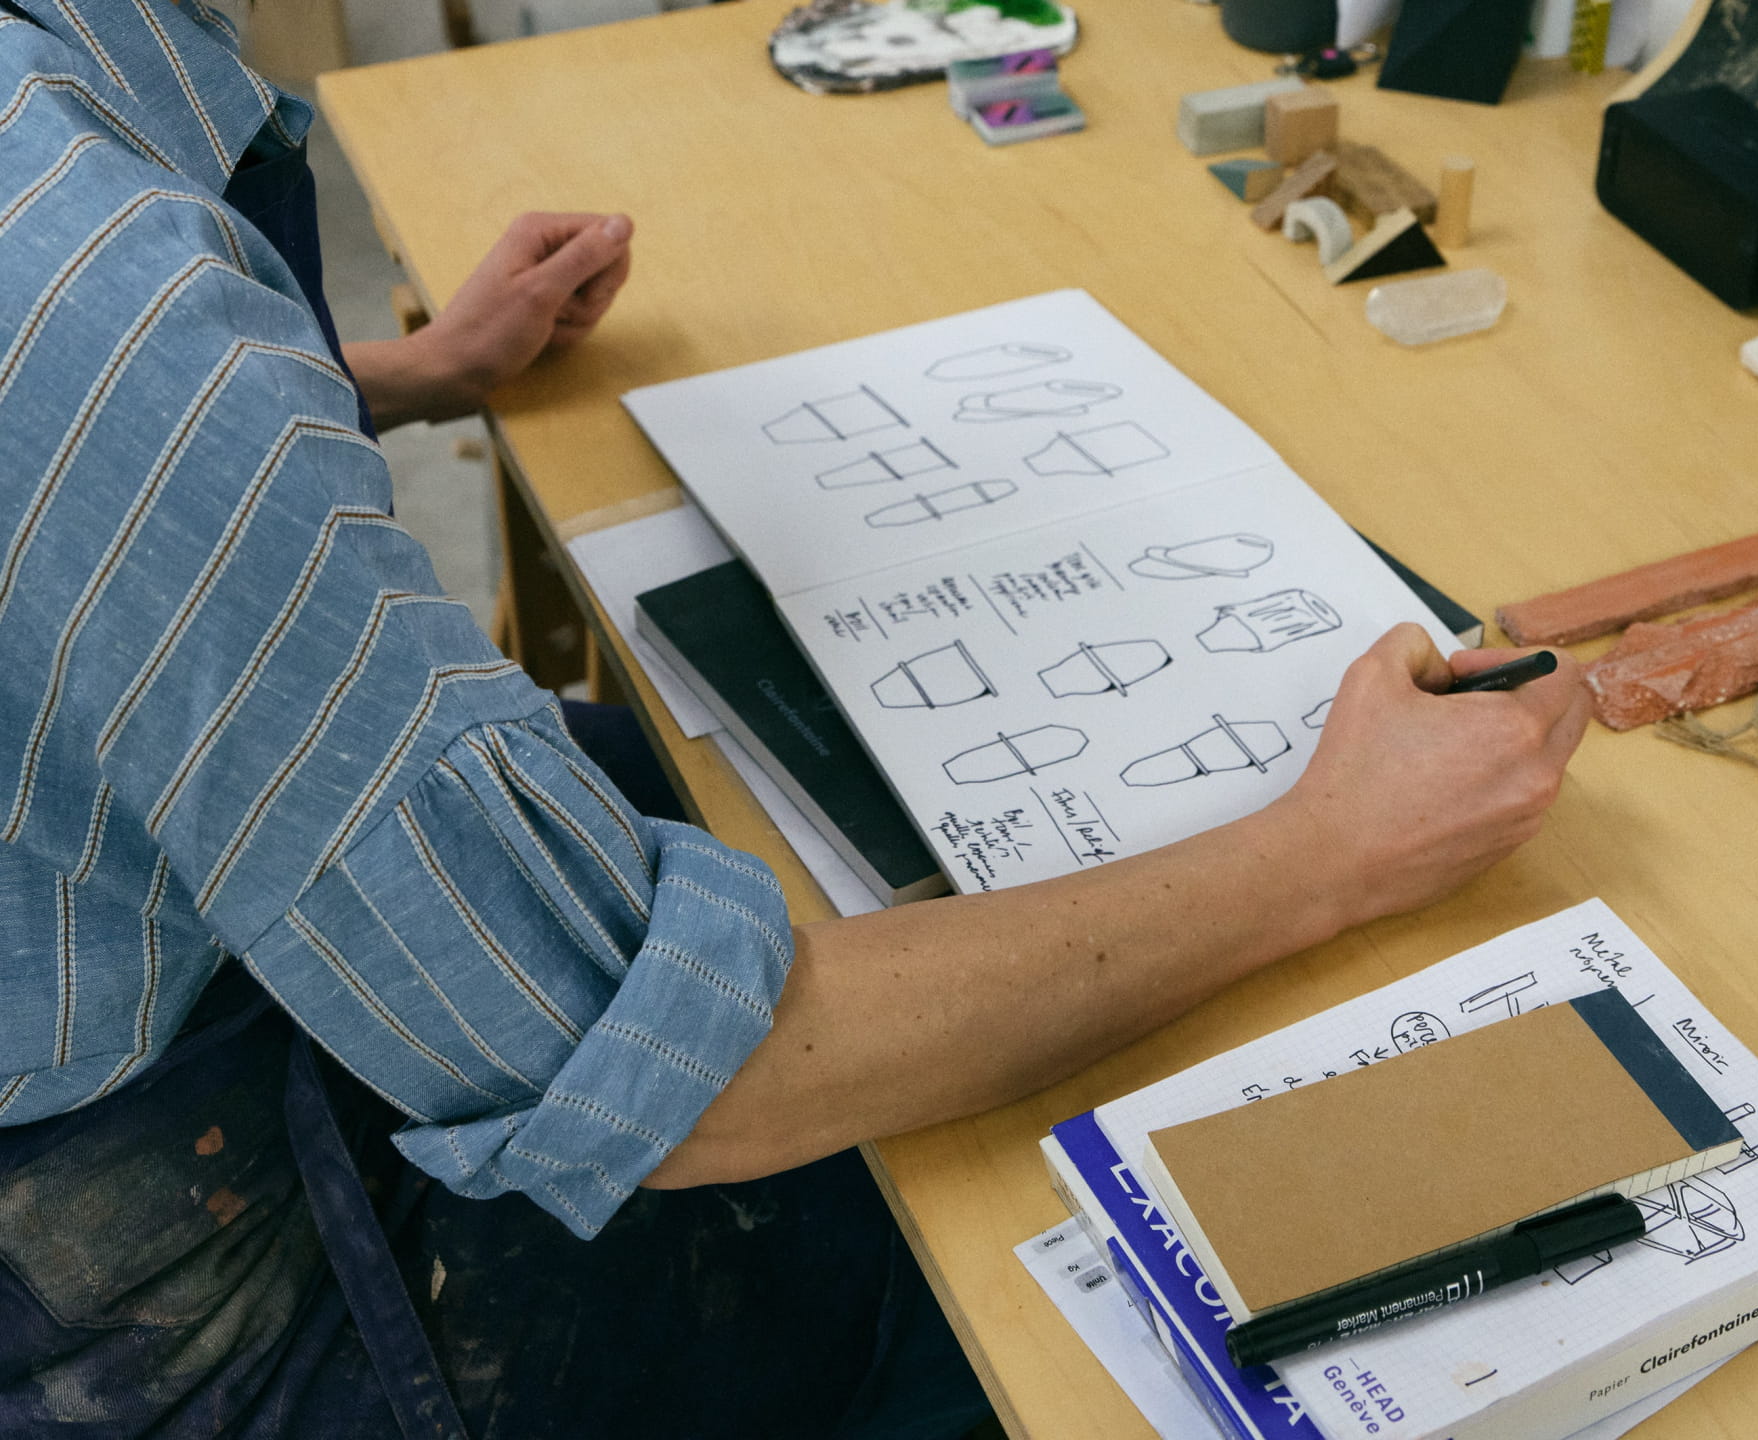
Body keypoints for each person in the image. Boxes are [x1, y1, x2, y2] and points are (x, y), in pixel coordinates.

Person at [0, 4, 1591, 1437]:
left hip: (119, 958)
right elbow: (686, 1075)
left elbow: (74, 465)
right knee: (1032, 1271)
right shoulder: (103, 303)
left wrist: (399, 372)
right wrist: (1331, 849)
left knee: (723, 804)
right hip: (155, 1270)